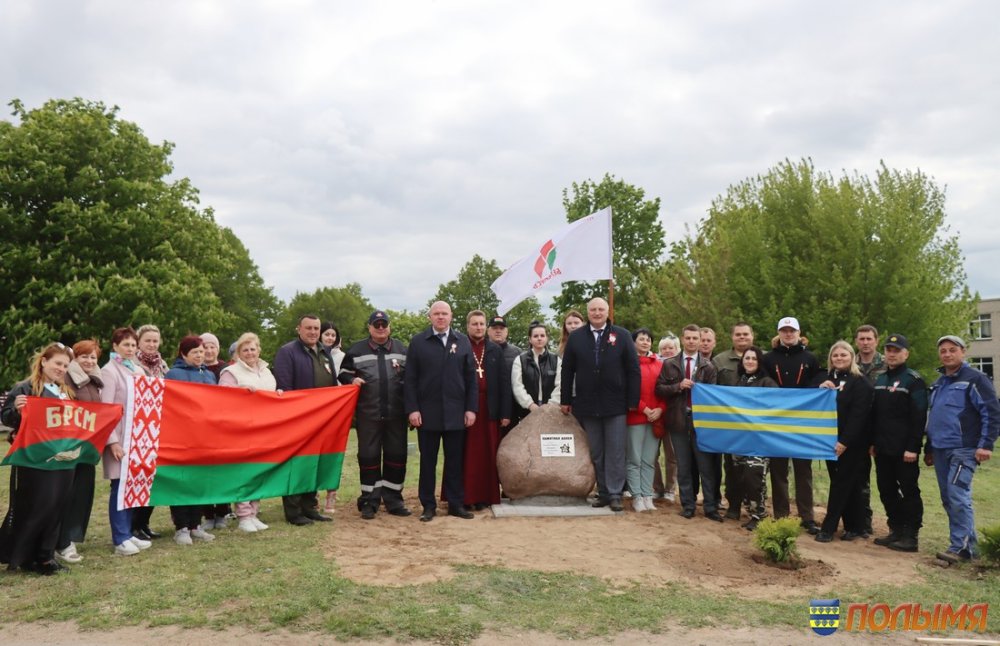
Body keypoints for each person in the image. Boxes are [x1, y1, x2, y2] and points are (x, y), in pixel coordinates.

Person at [0, 344, 79, 574]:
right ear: (44, 361)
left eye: (65, 365)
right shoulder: (24, 388)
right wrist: (16, 409)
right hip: (34, 458)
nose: (62, 369)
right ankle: (22, 555)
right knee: (35, 506)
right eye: (58, 363)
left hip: (62, 458)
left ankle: (45, 556)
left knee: (57, 506)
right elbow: (7, 418)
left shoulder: (65, 391)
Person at [560, 297, 641, 512]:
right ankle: (603, 491)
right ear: (588, 313)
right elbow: (567, 370)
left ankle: (615, 493)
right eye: (593, 310)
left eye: (601, 309)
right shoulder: (576, 337)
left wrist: (633, 400)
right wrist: (565, 399)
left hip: (615, 403)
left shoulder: (622, 335)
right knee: (596, 451)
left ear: (607, 312)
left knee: (615, 450)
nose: (597, 313)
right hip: (586, 403)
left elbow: (633, 370)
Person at [924, 335, 999, 564]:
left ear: (963, 352)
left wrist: (985, 445)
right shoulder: (938, 383)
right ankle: (968, 546)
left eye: (952, 350)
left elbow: (992, 413)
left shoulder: (976, 379)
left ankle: (961, 548)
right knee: (948, 498)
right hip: (940, 449)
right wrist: (928, 447)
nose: (947, 354)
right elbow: (934, 417)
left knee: (957, 495)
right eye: (943, 351)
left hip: (964, 449)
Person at [404, 301, 478, 522]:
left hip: (456, 413)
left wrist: (471, 409)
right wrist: (413, 409)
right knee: (428, 462)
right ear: (430, 317)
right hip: (427, 414)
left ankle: (456, 504)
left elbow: (471, 379)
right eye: (436, 314)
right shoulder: (418, 342)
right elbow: (410, 380)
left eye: (444, 313)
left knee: (455, 462)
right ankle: (428, 505)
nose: (440, 317)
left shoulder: (462, 342)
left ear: (451, 316)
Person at [338, 310, 412, 520]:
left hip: (396, 415)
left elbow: (411, 379)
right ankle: (369, 501)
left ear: (389, 327)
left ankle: (394, 500)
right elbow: (343, 373)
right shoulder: (356, 350)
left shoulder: (401, 349)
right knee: (368, 458)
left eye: (384, 324)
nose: (381, 328)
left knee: (396, 457)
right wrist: (351, 381)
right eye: (376, 324)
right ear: (369, 327)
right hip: (368, 415)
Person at [273, 314, 337, 525]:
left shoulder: (325, 352)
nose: (312, 332)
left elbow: (333, 384)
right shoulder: (287, 352)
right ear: (298, 329)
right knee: (296, 465)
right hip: (298, 420)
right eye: (308, 328)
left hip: (322, 420)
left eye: (316, 329)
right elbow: (284, 386)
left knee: (314, 464)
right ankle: (294, 511)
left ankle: (310, 507)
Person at [655, 324, 720, 520]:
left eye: (695, 338)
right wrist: (678, 386)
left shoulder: (709, 366)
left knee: (705, 466)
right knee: (683, 466)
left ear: (700, 341)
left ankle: (710, 507)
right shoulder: (670, 363)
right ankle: (688, 506)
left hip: (701, 422)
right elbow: (659, 389)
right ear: (682, 340)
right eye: (688, 338)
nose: (692, 341)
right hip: (677, 420)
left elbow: (713, 394)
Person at [763, 316, 821, 534]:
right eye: (784, 330)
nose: (788, 334)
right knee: (778, 471)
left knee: (803, 470)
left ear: (799, 332)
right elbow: (762, 381)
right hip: (776, 422)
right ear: (779, 333)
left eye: (792, 330)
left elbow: (818, 378)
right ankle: (781, 515)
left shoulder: (810, 358)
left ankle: (807, 517)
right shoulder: (768, 358)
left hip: (802, 423)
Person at [870, 334, 927, 552]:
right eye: (888, 350)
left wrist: (913, 447)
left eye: (896, 350)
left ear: (906, 353)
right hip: (883, 448)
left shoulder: (914, 381)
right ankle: (896, 529)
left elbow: (919, 417)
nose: (892, 354)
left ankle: (911, 536)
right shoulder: (881, 380)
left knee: (909, 491)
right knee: (886, 490)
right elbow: (876, 415)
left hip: (905, 450)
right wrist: (873, 442)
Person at [100, 327, 154, 556]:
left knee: (133, 485)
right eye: (126, 345)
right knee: (119, 486)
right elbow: (106, 408)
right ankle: (120, 538)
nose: (130, 349)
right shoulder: (109, 371)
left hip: (138, 437)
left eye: (133, 345)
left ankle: (129, 532)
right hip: (119, 438)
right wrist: (112, 442)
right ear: (115, 346)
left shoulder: (138, 369)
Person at [813, 341, 874, 543]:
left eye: (843, 355)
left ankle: (828, 529)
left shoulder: (861, 382)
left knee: (841, 485)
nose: (839, 358)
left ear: (851, 357)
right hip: (830, 442)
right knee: (847, 484)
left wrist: (844, 442)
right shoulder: (828, 380)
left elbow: (859, 416)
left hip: (851, 444)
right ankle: (854, 526)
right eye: (835, 355)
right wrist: (821, 390)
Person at [219, 332, 278, 533]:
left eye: (253, 349)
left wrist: (278, 396)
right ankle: (243, 515)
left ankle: (254, 512)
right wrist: (241, 391)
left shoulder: (266, 371)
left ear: (259, 350)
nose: (250, 353)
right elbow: (222, 398)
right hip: (242, 428)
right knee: (243, 472)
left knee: (259, 470)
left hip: (265, 427)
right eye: (245, 350)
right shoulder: (230, 372)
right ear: (239, 352)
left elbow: (270, 392)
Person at [164, 336, 219, 546]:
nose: (199, 355)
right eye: (194, 352)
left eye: (201, 351)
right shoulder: (173, 374)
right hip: (181, 437)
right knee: (181, 481)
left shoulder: (209, 375)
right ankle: (181, 527)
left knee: (199, 481)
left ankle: (195, 525)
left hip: (204, 437)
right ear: (184, 354)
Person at [54, 339, 104, 565]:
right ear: (75, 358)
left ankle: (70, 537)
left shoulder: (95, 381)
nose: (89, 361)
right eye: (84, 356)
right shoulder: (66, 379)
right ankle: (61, 541)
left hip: (87, 449)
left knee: (82, 495)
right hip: (68, 448)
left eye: (93, 357)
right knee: (67, 495)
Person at [459, 310, 511, 510]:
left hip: (490, 408)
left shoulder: (495, 350)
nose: (478, 327)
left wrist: (505, 413)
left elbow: (504, 384)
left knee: (488, 453)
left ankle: (485, 497)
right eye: (475, 324)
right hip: (467, 409)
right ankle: (466, 497)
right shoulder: (461, 346)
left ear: (485, 328)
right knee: (467, 454)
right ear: (468, 326)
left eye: (481, 324)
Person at [713, 323, 755, 517]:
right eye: (738, 334)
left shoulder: (762, 357)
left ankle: (754, 505)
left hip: (756, 425)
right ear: (732, 337)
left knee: (754, 467)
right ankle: (733, 505)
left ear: (752, 336)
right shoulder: (719, 360)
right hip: (729, 424)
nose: (742, 337)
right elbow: (711, 390)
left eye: (745, 334)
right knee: (731, 467)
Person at [732, 346, 776, 530]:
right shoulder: (739, 382)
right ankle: (751, 513)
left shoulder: (767, 382)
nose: (749, 361)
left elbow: (775, 408)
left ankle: (760, 514)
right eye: (746, 358)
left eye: (754, 358)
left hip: (761, 440)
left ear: (759, 362)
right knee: (742, 477)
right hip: (741, 439)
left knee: (755, 476)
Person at [131, 324, 167, 539]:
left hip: (157, 427)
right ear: (139, 342)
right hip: (138, 428)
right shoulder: (132, 364)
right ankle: (132, 525)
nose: (152, 345)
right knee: (137, 477)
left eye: (155, 341)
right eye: (148, 341)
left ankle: (144, 523)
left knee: (152, 478)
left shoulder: (162, 366)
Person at [626, 328, 666, 513]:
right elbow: (627, 389)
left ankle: (647, 494)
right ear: (633, 342)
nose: (645, 342)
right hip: (635, 416)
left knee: (649, 459)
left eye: (648, 339)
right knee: (634, 459)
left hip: (655, 418)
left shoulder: (659, 364)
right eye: (641, 339)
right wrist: (644, 409)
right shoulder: (627, 363)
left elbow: (664, 390)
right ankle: (636, 495)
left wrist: (659, 409)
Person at [319, 321, 345, 513]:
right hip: (316, 411)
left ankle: (331, 495)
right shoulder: (313, 355)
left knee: (333, 453)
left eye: (332, 335)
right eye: (326, 334)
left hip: (336, 411)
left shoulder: (343, 357)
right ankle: (311, 495)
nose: (329, 338)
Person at [511, 321, 562, 416]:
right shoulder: (520, 360)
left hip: (552, 410)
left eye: (542, 336)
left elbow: (560, 385)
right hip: (527, 410)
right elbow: (517, 386)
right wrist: (530, 405)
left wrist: (550, 405)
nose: (539, 338)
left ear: (547, 338)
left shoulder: (556, 359)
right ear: (530, 339)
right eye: (535, 336)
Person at [653, 333, 680, 502]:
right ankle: (657, 488)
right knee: (651, 455)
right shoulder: (654, 364)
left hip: (673, 415)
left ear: (677, 349)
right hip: (654, 414)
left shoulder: (681, 366)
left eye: (671, 347)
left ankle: (670, 488)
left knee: (672, 455)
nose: (667, 350)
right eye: (664, 348)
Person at [488, 314, 523, 433]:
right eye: (494, 328)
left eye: (501, 328)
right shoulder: (482, 350)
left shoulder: (517, 352)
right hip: (487, 406)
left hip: (511, 408)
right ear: (488, 331)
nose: (498, 331)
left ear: (507, 331)